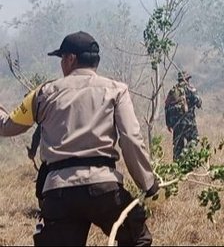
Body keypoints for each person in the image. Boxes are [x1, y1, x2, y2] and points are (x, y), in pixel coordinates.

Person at [0, 31, 159, 246]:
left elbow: (7, 126)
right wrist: (147, 182)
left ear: (71, 59)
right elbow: (130, 139)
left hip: (58, 193)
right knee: (138, 239)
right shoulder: (116, 90)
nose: (62, 64)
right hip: (104, 189)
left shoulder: (43, 93)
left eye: (62, 58)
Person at [165, 71, 202, 161]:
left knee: (178, 146)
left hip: (176, 124)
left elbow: (166, 107)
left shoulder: (173, 91)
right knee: (194, 139)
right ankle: (185, 153)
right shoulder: (190, 89)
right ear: (187, 79)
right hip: (189, 122)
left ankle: (177, 169)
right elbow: (198, 103)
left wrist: (168, 124)